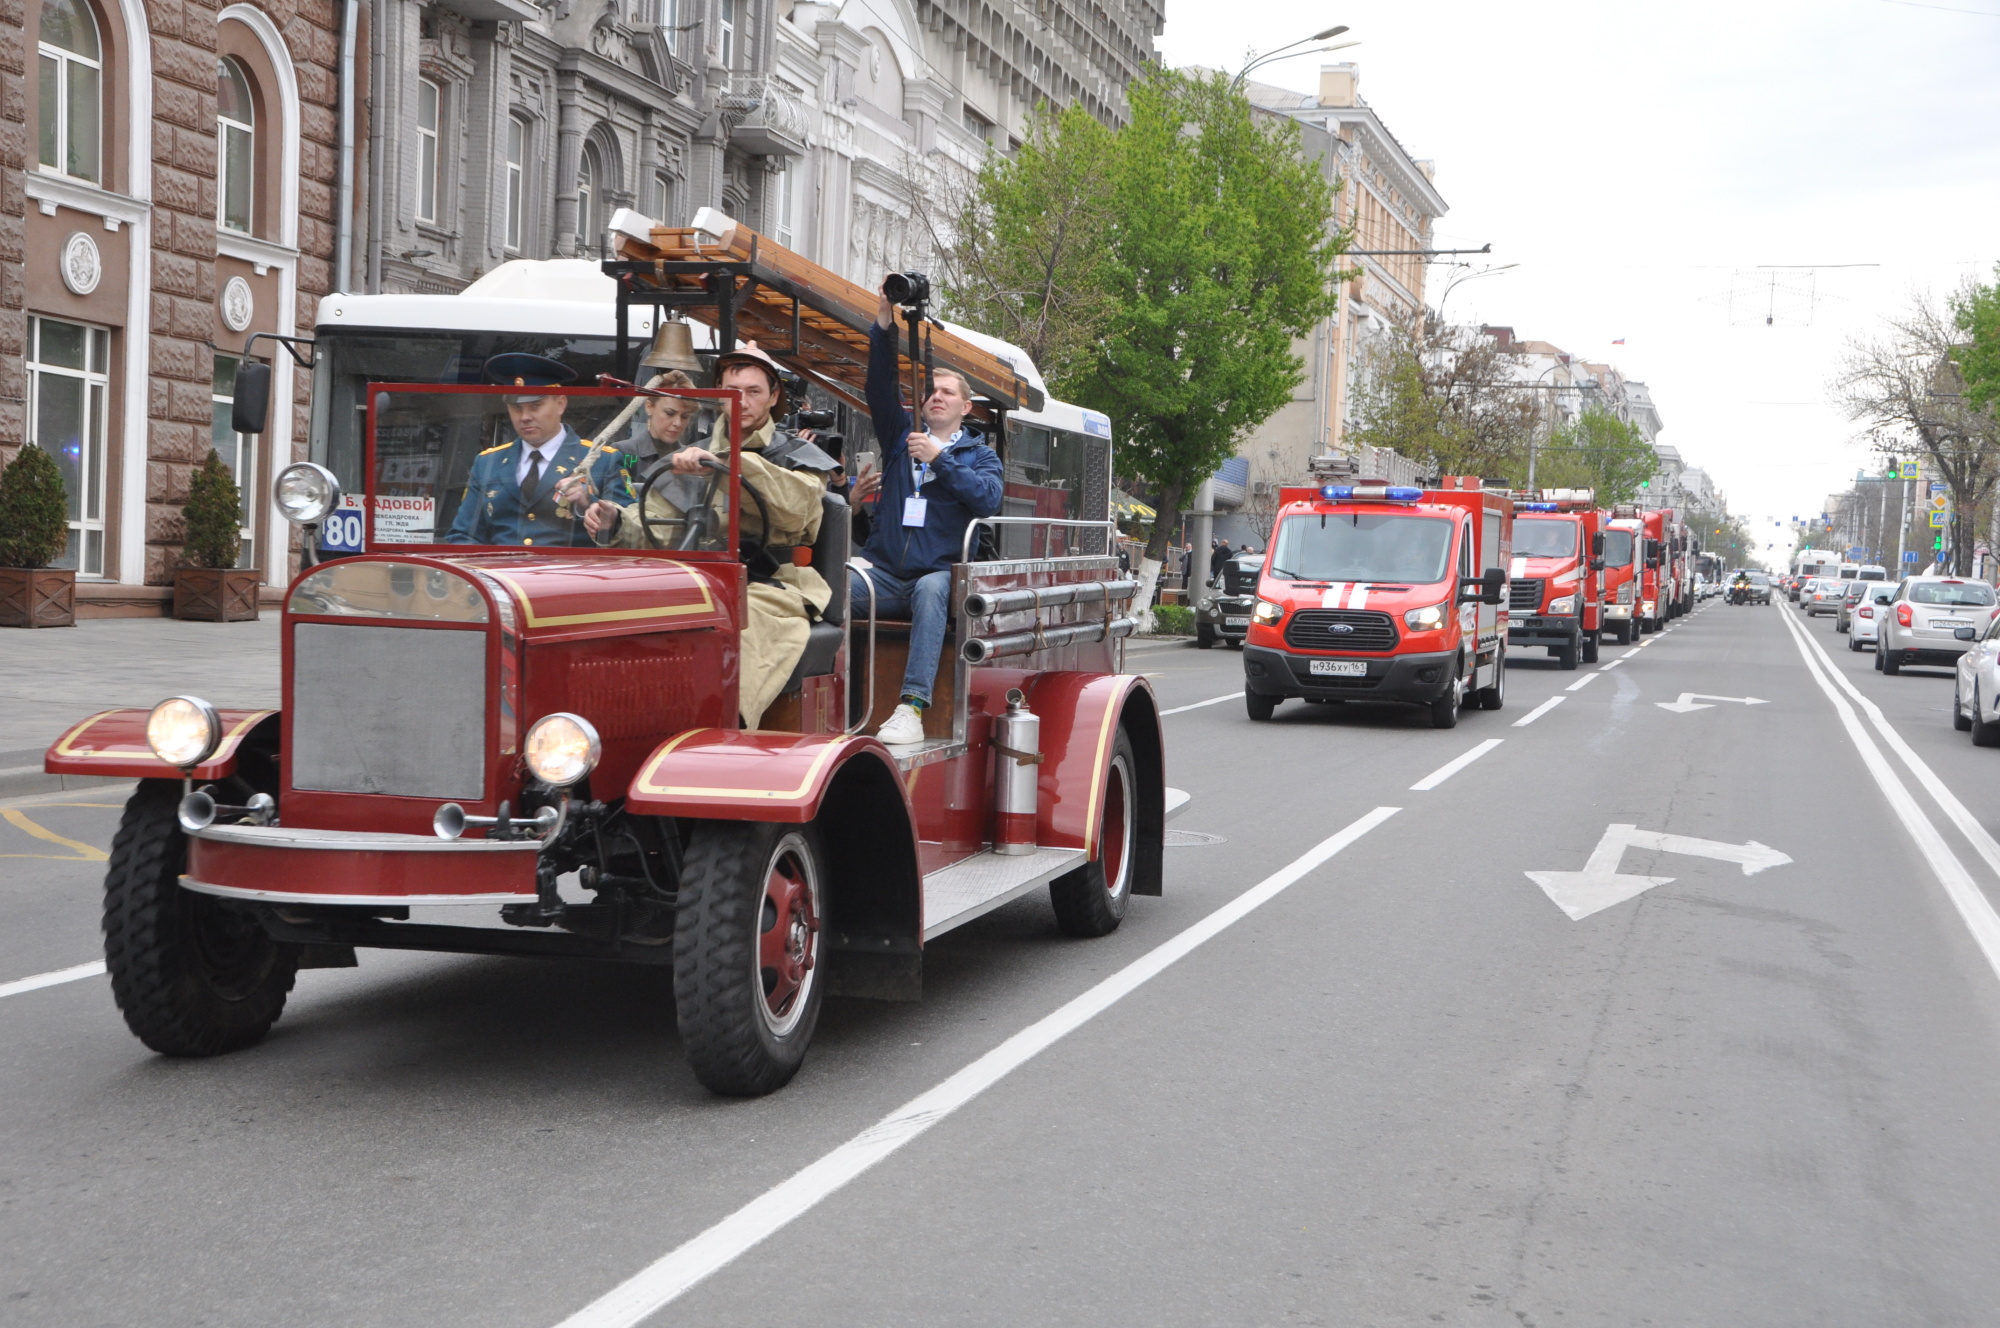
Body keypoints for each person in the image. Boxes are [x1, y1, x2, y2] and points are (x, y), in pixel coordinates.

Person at [579, 344, 839, 730]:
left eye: (754, 391)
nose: (743, 402)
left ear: (773, 396)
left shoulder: (798, 455)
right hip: (699, 580)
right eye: (733, 392)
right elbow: (656, 523)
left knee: (738, 628)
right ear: (718, 396)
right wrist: (614, 521)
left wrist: (729, 463)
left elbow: (799, 507)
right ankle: (604, 724)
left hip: (771, 586)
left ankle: (719, 727)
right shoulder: (691, 456)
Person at [850, 278, 1005, 745]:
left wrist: (939, 458)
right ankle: (824, 691)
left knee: (936, 588)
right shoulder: (901, 436)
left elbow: (986, 500)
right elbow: (879, 387)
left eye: (947, 393)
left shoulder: (979, 455)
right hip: (882, 574)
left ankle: (911, 708)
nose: (935, 397)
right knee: (827, 586)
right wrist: (884, 323)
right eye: (930, 391)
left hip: (935, 578)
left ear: (966, 407)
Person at [446, 353, 629, 547]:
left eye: (535, 406)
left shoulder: (602, 460)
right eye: (516, 408)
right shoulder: (488, 463)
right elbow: (464, 536)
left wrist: (587, 503)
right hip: (503, 573)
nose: (524, 416)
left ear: (561, 404)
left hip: (570, 574)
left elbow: (630, 533)